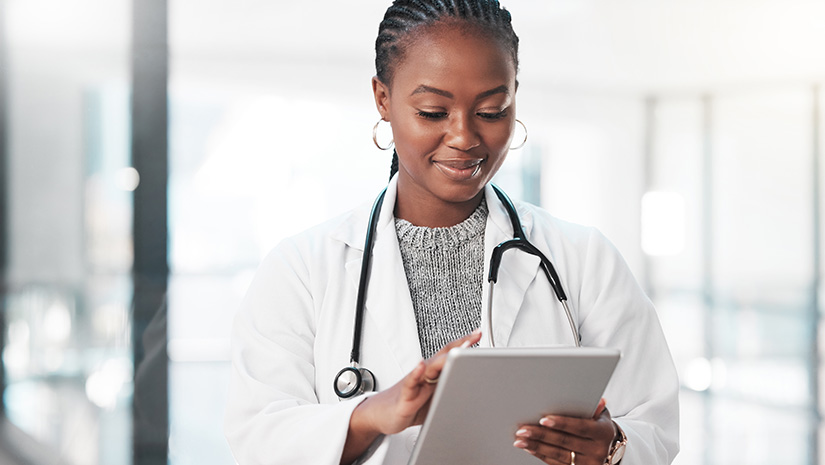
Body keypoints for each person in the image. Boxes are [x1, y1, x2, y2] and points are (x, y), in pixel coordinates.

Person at [224, 1, 680, 464]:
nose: (464, 137)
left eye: (491, 110)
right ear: (383, 98)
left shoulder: (583, 259)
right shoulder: (301, 269)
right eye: (433, 112)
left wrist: (613, 448)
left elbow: (655, 428)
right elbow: (259, 438)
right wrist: (371, 414)